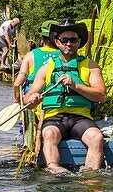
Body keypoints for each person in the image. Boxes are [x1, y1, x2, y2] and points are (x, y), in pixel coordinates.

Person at [23, 19, 107, 173]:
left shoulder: (90, 66)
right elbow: (26, 99)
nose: (69, 43)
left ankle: (90, 176)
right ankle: (54, 169)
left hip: (80, 118)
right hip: (54, 117)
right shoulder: (46, 68)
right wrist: (33, 99)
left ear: (79, 42)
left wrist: (75, 85)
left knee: (96, 137)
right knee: (49, 133)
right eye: (65, 40)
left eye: (73, 40)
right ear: (57, 42)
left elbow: (101, 96)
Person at [12, 20, 60, 101]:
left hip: (33, 101)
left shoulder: (30, 55)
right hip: (55, 101)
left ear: (42, 37)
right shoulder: (66, 56)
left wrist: (18, 100)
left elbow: (17, 84)